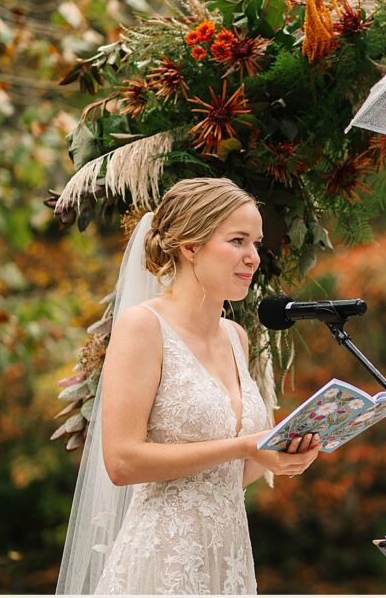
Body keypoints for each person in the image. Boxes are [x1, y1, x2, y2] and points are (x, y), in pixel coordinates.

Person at [57, 178, 320, 595]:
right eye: (237, 240)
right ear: (190, 246)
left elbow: (224, 476)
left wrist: (276, 455)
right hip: (162, 564)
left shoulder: (237, 337)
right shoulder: (144, 326)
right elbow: (122, 462)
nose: (252, 257)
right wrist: (245, 446)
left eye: (255, 243)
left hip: (228, 561)